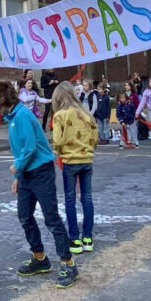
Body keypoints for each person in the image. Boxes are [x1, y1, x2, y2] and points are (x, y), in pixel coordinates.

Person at [0, 79, 79, 289]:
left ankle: (68, 263)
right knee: (24, 216)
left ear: (0, 99)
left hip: (40, 171)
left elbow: (29, 148)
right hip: (27, 174)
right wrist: (18, 177)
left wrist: (16, 167)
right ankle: (39, 258)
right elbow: (21, 149)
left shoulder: (22, 115)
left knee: (51, 218)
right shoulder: (12, 116)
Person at [52, 81, 97, 254]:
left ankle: (74, 238)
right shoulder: (85, 114)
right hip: (86, 158)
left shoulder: (60, 115)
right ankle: (88, 237)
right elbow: (95, 135)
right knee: (87, 198)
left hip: (71, 160)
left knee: (70, 199)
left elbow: (58, 140)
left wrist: (61, 151)